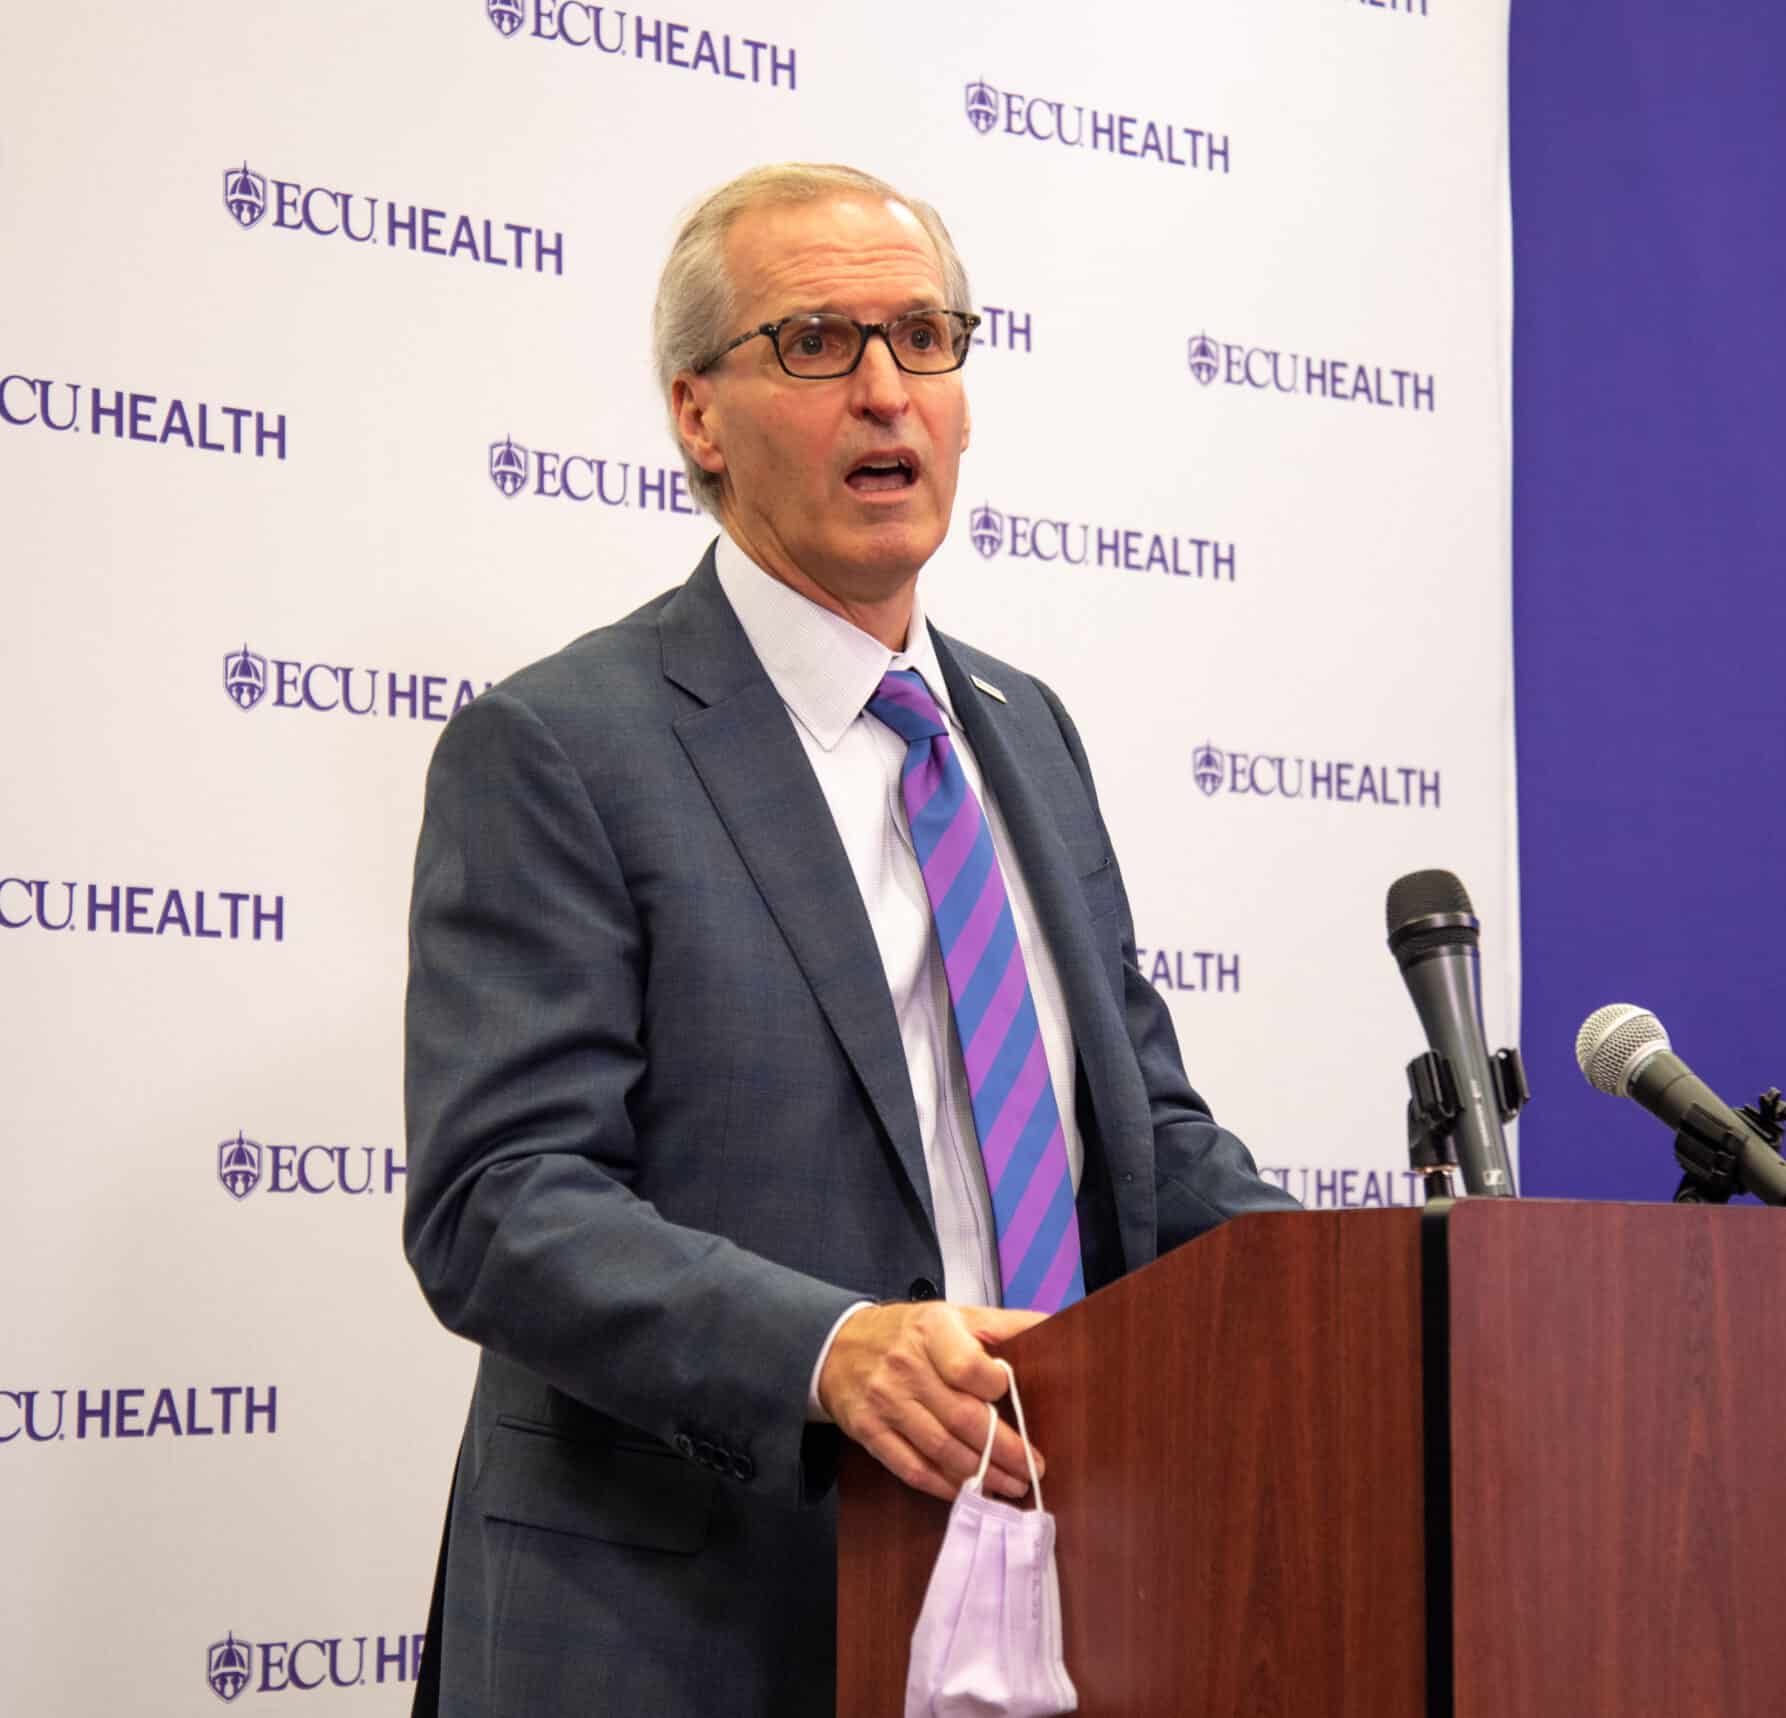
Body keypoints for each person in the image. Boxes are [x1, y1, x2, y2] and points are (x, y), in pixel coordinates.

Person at [402, 162, 1293, 1717]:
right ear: (699, 412)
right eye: (819, 344)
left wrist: (1390, 1296)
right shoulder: (561, 746)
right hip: (695, 1619)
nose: (888, 393)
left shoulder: (1027, 728)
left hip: (1053, 1587)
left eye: (925, 337)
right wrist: (830, 1349)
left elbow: (1140, 1135)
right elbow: (501, 1201)